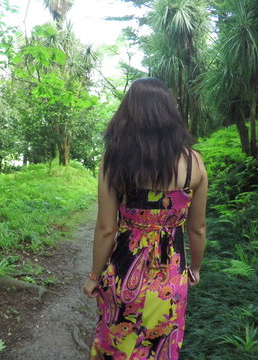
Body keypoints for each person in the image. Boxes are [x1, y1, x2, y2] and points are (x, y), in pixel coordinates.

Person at [82, 77, 207, 360]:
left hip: (122, 274)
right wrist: (195, 269)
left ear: (128, 114)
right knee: (160, 349)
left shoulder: (114, 160)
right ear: (170, 114)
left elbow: (105, 228)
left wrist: (93, 277)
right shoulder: (194, 163)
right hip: (171, 278)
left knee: (116, 347)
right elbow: (197, 228)